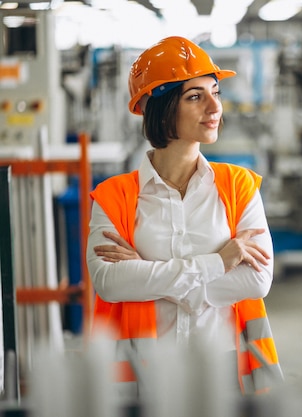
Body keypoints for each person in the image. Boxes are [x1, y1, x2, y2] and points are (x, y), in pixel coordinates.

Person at [85, 36, 282, 398]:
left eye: (215, 92)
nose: (215, 107)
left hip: (225, 365)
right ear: (158, 108)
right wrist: (218, 263)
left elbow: (257, 280)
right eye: (195, 96)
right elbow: (110, 282)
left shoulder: (239, 186)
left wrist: (149, 273)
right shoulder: (115, 196)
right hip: (142, 372)